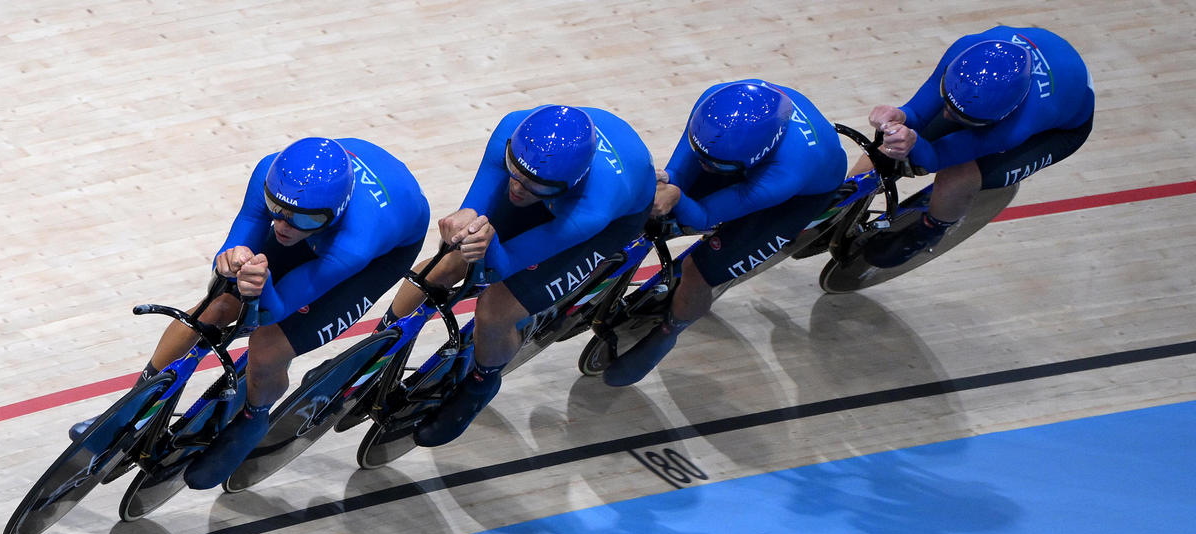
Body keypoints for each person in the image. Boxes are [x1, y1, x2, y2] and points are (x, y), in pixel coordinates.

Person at [70, 137, 430, 490]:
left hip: (379, 252)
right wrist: (230, 260)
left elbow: (272, 312)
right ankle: (131, 409)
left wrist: (260, 287)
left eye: (298, 221)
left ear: (331, 214)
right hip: (327, 220)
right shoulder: (272, 180)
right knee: (217, 306)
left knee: (269, 346)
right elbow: (233, 252)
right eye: (276, 210)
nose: (282, 226)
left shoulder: (356, 242)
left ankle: (254, 418)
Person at [381, 104, 655, 446]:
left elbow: (500, 267)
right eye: (514, 171)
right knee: (449, 263)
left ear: (568, 183)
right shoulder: (513, 132)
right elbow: (473, 217)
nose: (518, 188)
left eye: (533, 184)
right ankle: (378, 349)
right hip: (548, 175)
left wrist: (487, 244)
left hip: (610, 222)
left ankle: (482, 382)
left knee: (494, 310)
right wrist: (467, 226)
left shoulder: (592, 209)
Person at [602, 80, 848, 386]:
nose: (705, 167)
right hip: (737, 158)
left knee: (698, 271)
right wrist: (669, 187)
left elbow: (704, 216)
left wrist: (676, 196)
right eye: (702, 155)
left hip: (795, 197)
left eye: (715, 164)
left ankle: (671, 330)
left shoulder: (787, 173)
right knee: (652, 207)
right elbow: (678, 174)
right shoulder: (713, 105)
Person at [857, 26, 1095, 267]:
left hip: (1060, 130)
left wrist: (914, 141)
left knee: (958, 176)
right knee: (890, 148)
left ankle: (929, 232)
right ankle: (841, 198)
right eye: (947, 100)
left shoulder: (1015, 128)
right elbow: (916, 112)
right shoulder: (967, 48)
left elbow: (937, 158)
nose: (947, 116)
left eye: (962, 116)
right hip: (1017, 85)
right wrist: (898, 116)